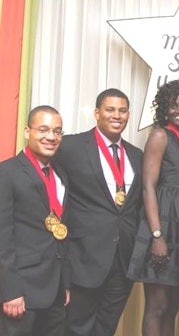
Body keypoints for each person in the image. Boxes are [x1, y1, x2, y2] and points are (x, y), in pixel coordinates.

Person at [54, 89, 143, 336]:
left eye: (122, 110)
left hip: (122, 262)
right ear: (96, 113)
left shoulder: (136, 156)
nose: (117, 115)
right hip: (83, 258)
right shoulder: (70, 146)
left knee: (106, 328)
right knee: (76, 328)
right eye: (110, 109)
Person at [127, 80, 179, 336]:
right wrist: (157, 236)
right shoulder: (160, 135)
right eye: (173, 105)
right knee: (157, 306)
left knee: (172, 307)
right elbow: (148, 187)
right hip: (163, 223)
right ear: (164, 108)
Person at [0, 105, 69, 336]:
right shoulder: (6, 173)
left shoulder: (60, 174)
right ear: (28, 132)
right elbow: (2, 238)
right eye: (43, 129)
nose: (51, 137)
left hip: (55, 290)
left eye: (57, 131)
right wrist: (10, 291)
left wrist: (65, 283)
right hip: (21, 292)